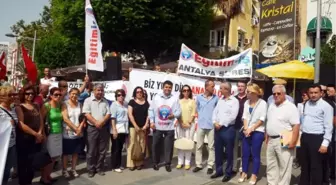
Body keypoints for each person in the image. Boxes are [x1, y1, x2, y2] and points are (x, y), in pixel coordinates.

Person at [299, 84, 334, 185]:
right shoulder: (306, 104)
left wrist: (325, 143)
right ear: (308, 93)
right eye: (311, 93)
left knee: (316, 166)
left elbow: (329, 126)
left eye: (316, 93)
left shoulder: (326, 106)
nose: (313, 95)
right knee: (304, 165)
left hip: (318, 138)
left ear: (321, 93)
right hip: (305, 137)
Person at [266, 85, 300, 185]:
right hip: (271, 139)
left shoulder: (290, 107)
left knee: (284, 166)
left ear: (284, 94)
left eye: (279, 93)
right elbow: (269, 121)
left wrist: (293, 141)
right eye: (274, 94)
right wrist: (267, 137)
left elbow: (296, 125)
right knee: (271, 165)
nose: (276, 95)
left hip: (284, 138)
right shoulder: (272, 105)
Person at [149, 80, 181, 172]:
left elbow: (179, 112)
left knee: (169, 146)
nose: (168, 89)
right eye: (166, 87)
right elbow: (151, 110)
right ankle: (155, 163)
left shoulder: (175, 99)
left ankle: (168, 163)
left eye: (170, 87)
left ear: (172, 88)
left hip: (169, 127)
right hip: (157, 126)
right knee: (155, 145)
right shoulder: (156, 98)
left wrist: (174, 115)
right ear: (163, 87)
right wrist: (151, 122)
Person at [16, 84, 45, 185]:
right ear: (23, 94)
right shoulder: (19, 107)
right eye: (27, 93)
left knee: (33, 164)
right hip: (24, 139)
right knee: (24, 165)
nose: (30, 95)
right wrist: (35, 134)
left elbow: (41, 119)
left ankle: (29, 181)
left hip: (36, 139)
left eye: (32, 93)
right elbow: (21, 124)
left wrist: (40, 133)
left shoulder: (36, 105)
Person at [238, 83, 267, 184]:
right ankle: (244, 172)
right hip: (247, 131)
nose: (247, 94)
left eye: (249, 92)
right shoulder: (246, 103)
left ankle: (254, 174)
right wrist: (246, 128)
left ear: (255, 93)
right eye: (247, 91)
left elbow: (262, 119)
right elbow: (244, 116)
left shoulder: (263, 103)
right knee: (245, 153)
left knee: (255, 154)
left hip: (258, 131)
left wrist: (252, 128)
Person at [210, 82, 239, 182]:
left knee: (229, 152)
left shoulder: (234, 101)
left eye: (221, 88)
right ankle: (219, 171)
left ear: (227, 89)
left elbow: (232, 116)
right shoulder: (220, 100)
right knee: (218, 150)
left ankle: (228, 173)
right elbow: (215, 112)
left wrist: (221, 124)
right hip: (217, 128)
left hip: (228, 129)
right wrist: (214, 122)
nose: (220, 90)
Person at [83, 83, 111, 177]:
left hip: (103, 128)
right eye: (98, 90)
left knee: (102, 150)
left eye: (102, 90)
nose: (100, 92)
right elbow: (86, 114)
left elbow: (108, 114)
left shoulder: (105, 101)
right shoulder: (87, 101)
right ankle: (91, 169)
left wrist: (102, 122)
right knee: (91, 150)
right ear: (94, 91)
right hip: (92, 129)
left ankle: (99, 168)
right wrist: (96, 122)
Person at [193, 79, 219, 175]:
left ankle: (210, 166)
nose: (214, 88)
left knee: (211, 147)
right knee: (199, 146)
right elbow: (196, 109)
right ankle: (198, 165)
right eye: (212, 86)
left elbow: (217, 111)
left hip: (211, 126)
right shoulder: (199, 97)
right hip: (201, 125)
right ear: (206, 87)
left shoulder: (216, 98)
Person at [40, 87, 63, 184]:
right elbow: (41, 119)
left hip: (58, 133)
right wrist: (43, 134)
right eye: (56, 95)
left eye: (59, 94)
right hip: (50, 134)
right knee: (49, 157)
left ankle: (48, 175)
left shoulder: (59, 105)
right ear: (51, 96)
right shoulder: (46, 106)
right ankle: (43, 178)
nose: (58, 96)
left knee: (54, 157)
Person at [61, 88, 84, 178]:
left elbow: (82, 118)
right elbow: (65, 119)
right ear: (69, 94)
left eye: (76, 94)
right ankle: (64, 170)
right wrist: (75, 129)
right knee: (66, 153)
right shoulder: (64, 104)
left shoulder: (80, 104)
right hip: (68, 132)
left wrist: (80, 128)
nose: (74, 96)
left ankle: (73, 169)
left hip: (78, 132)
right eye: (72, 94)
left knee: (75, 152)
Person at [0, 86, 20, 185]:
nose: (12, 96)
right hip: (2, 146)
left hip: (12, 144)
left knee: (7, 169)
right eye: (10, 95)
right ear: (2, 97)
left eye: (14, 94)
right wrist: (7, 124)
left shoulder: (12, 109)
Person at [127, 87, 150, 170]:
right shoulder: (132, 102)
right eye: (137, 92)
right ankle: (131, 164)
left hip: (143, 127)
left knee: (141, 144)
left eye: (141, 92)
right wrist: (135, 125)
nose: (139, 93)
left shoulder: (146, 103)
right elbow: (130, 114)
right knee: (132, 143)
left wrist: (145, 125)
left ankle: (139, 163)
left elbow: (148, 115)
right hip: (133, 126)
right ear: (135, 93)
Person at [176, 85, 196, 170]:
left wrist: (189, 123)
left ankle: (187, 162)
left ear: (190, 92)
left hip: (190, 125)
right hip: (180, 124)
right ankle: (180, 162)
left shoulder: (192, 101)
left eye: (188, 90)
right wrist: (181, 123)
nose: (186, 92)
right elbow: (177, 113)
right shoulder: (178, 101)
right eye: (184, 90)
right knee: (180, 143)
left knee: (188, 143)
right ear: (182, 92)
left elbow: (193, 113)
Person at [110, 89, 128, 173]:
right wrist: (114, 130)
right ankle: (114, 165)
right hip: (116, 128)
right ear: (116, 96)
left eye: (122, 95)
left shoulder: (126, 104)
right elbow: (113, 118)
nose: (121, 96)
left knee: (120, 148)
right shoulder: (114, 105)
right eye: (118, 95)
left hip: (124, 129)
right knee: (115, 148)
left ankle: (119, 164)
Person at [233, 81, 247, 173]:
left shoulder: (248, 99)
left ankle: (242, 166)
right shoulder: (233, 99)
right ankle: (234, 167)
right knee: (234, 147)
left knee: (244, 148)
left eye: (242, 86)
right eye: (239, 86)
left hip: (245, 126)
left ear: (245, 87)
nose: (240, 87)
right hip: (235, 126)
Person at [326, 84, 336, 179]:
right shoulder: (328, 102)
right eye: (327, 90)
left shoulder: (333, 101)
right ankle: (330, 173)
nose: (328, 92)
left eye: (330, 90)